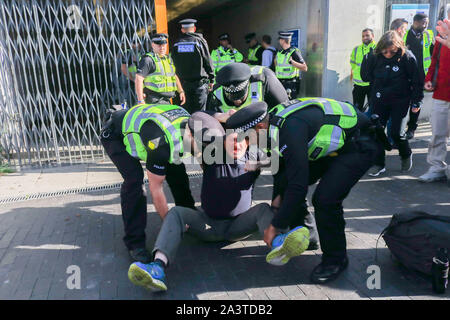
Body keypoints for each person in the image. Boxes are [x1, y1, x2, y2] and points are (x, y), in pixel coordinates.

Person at [127, 110, 310, 291]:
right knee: (176, 212)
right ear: (223, 141)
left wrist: (259, 165)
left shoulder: (255, 156)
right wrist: (222, 117)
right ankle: (157, 267)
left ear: (249, 141)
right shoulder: (209, 154)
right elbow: (196, 118)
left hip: (239, 226)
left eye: (243, 140)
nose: (238, 144)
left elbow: (281, 161)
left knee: (263, 209)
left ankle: (278, 245)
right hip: (208, 225)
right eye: (233, 139)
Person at [227, 98, 378, 283]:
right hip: (333, 146)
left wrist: (274, 225)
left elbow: (297, 187)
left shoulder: (289, 130)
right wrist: (276, 207)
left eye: (247, 139)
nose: (247, 145)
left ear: (259, 127)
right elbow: (282, 169)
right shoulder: (272, 124)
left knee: (325, 200)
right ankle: (308, 236)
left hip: (360, 144)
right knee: (287, 181)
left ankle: (335, 260)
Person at [100, 103, 196, 263]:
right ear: (191, 136)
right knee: (135, 181)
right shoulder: (161, 142)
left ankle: (189, 215)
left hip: (146, 130)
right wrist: (171, 225)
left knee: (176, 168)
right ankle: (134, 243)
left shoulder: (195, 122)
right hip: (116, 136)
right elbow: (156, 188)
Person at [361, 31, 424, 176]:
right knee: (375, 132)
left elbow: (417, 81)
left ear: (398, 48)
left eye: (392, 51)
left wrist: (416, 101)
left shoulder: (407, 57)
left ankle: (406, 154)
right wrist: (366, 60)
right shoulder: (374, 57)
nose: (388, 54)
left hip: (400, 101)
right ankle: (378, 163)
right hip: (379, 100)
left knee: (396, 133)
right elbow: (366, 77)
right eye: (385, 51)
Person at [418, 13, 450, 184]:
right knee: (438, 133)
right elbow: (435, 60)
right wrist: (429, 79)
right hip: (441, 92)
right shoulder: (441, 36)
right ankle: (437, 168)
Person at [206, 62, 288, 113]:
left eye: (241, 97)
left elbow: (284, 109)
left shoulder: (264, 78)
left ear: (248, 85)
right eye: (232, 98)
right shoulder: (217, 91)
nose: (237, 102)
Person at [171, 19, 215, 113]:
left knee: (185, 112)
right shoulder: (199, 41)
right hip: (199, 85)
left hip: (183, 86)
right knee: (199, 114)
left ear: (182, 30)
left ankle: (187, 127)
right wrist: (212, 79)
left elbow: (172, 64)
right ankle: (197, 128)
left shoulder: (176, 44)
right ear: (194, 29)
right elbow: (208, 60)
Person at [403, 13, 435, 140]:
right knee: (403, 102)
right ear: (415, 22)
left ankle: (411, 129)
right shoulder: (405, 35)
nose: (426, 25)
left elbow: (433, 53)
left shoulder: (428, 34)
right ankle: (400, 127)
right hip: (405, 76)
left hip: (421, 76)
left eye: (426, 23)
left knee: (416, 104)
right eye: (423, 23)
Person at [135, 34, 185, 105]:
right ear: (152, 45)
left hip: (166, 100)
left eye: (163, 45)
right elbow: (138, 79)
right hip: (153, 100)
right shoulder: (148, 60)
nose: (162, 48)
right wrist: (140, 100)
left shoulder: (168, 59)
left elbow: (173, 75)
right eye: (158, 45)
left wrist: (181, 91)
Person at [350, 28, 377, 111]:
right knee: (357, 109)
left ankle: (372, 124)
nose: (365, 37)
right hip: (358, 86)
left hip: (372, 85)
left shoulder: (378, 48)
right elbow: (352, 64)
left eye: (367, 35)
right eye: (363, 36)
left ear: (372, 36)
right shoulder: (356, 49)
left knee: (373, 109)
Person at [275, 31, 308, 99]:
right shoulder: (280, 52)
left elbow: (305, 68)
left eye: (279, 39)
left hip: (290, 85)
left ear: (282, 41)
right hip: (280, 83)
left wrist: (292, 62)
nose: (279, 41)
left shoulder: (294, 52)